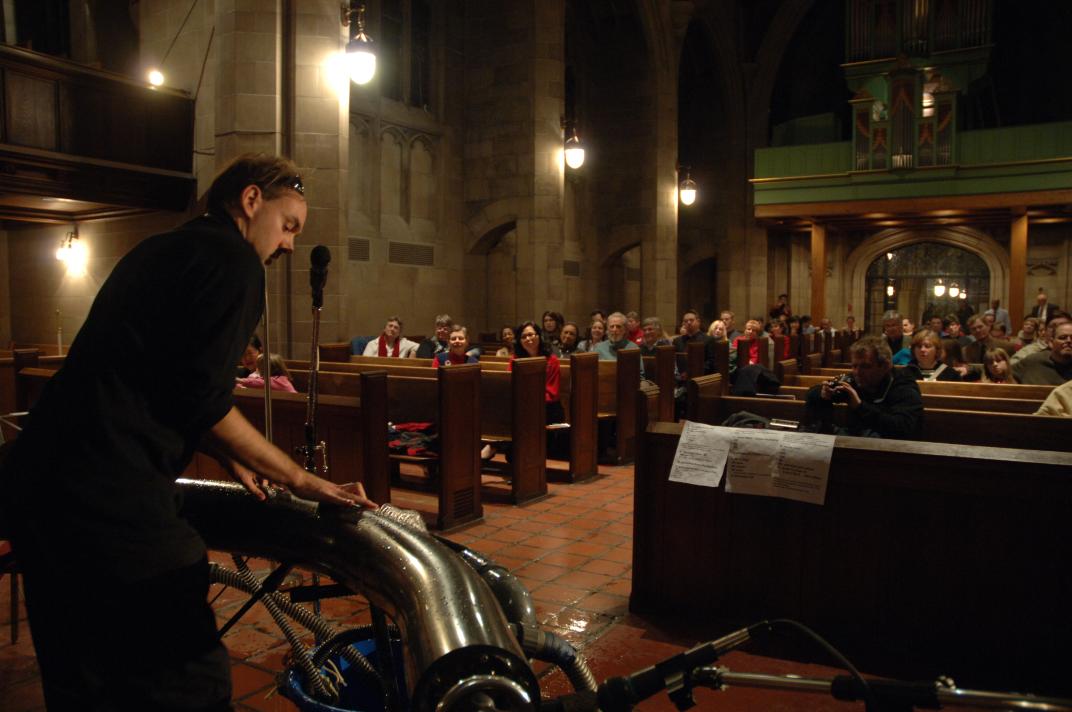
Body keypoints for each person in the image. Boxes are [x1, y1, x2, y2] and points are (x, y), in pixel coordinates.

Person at [0, 153, 375, 711]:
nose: (290, 245)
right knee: (189, 681)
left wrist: (229, 453)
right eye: (288, 225)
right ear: (251, 200)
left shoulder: (160, 248)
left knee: (81, 677)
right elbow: (202, 397)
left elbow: (161, 380)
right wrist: (302, 480)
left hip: (39, 489)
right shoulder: (234, 261)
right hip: (109, 499)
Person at [803, 335, 923, 439]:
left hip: (891, 452)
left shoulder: (904, 386)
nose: (857, 372)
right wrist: (823, 393)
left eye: (865, 366)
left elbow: (903, 428)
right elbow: (812, 394)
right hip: (855, 446)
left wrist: (859, 406)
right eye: (854, 366)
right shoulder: (854, 379)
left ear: (885, 366)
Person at [673, 309, 717, 376]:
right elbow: (674, 361)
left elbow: (711, 362)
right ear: (683, 324)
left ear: (698, 322)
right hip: (680, 378)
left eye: (691, 320)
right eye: (685, 321)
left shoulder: (708, 340)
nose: (688, 322)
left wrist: (692, 373)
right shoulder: (677, 341)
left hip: (701, 377)